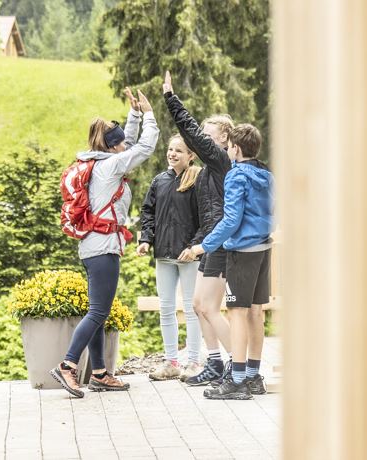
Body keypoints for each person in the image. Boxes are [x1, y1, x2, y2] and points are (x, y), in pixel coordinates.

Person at [50, 88, 159, 398]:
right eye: (122, 142)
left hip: (92, 246)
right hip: (103, 249)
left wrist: (134, 114)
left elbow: (130, 143)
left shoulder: (101, 163)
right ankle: (68, 365)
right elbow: (144, 147)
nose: (126, 146)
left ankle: (99, 373)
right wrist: (149, 114)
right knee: (98, 311)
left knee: (98, 310)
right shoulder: (111, 166)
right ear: (114, 147)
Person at [162, 71, 236, 386]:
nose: (201, 137)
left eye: (208, 133)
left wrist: (170, 97)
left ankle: (240, 365)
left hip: (221, 243)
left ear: (224, 139)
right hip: (209, 242)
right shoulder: (207, 169)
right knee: (197, 304)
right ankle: (216, 364)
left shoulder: (219, 161)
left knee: (208, 306)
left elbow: (191, 134)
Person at [189, 123, 273, 400]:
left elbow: (231, 220)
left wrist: (204, 246)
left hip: (242, 253)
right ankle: (253, 376)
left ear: (235, 148)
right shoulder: (266, 174)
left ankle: (236, 380)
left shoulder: (236, 176)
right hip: (263, 248)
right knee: (256, 312)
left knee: (237, 312)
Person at [136, 134, 203, 380]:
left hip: (189, 255)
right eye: (170, 149)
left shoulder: (198, 180)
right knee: (166, 307)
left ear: (191, 156)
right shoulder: (159, 181)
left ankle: (194, 361)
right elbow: (148, 212)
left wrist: (195, 246)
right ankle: (172, 361)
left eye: (179, 151)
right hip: (163, 254)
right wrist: (146, 239)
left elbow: (206, 219)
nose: (172, 153)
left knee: (191, 308)